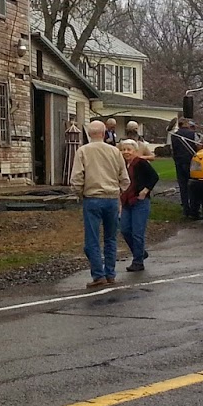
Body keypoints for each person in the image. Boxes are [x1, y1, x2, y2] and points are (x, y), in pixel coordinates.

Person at [71, 119, 129, 289]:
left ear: (88, 134)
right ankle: (110, 273)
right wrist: (119, 191)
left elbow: (77, 177)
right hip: (111, 198)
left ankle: (98, 274)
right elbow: (124, 178)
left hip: (92, 197)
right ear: (104, 134)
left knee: (92, 239)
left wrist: (79, 192)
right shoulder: (114, 152)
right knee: (111, 237)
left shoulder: (83, 151)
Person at [119, 140, 158, 272]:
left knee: (137, 232)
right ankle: (140, 252)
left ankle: (138, 261)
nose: (126, 152)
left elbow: (154, 176)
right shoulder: (122, 165)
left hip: (140, 201)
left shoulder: (141, 163)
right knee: (124, 229)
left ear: (135, 151)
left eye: (129, 149)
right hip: (126, 201)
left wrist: (146, 190)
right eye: (123, 149)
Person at [170, 117, 201, 219]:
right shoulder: (192, 134)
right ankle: (194, 210)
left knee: (183, 186)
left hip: (179, 162)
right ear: (187, 124)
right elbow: (198, 146)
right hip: (190, 162)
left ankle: (186, 209)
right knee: (193, 186)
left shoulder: (174, 135)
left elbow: (173, 149)